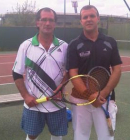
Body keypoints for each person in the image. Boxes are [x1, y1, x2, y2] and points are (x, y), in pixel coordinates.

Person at [67, 5, 122, 140]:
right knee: (81, 136)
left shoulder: (110, 42)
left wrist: (102, 94)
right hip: (80, 99)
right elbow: (73, 73)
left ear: (98, 18)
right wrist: (89, 95)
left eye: (92, 16)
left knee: (107, 137)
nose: (89, 19)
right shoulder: (74, 45)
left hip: (104, 98)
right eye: (85, 17)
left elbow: (117, 69)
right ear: (81, 21)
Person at [12, 7, 68, 140]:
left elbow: (69, 73)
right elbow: (17, 73)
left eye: (51, 20)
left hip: (57, 103)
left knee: (57, 134)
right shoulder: (26, 46)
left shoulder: (64, 46)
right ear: (37, 22)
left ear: (55, 24)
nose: (47, 23)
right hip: (34, 103)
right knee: (32, 135)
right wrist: (26, 96)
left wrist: (62, 87)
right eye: (44, 20)